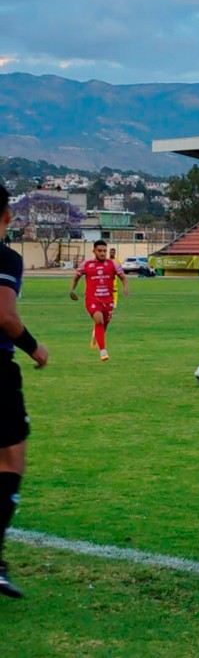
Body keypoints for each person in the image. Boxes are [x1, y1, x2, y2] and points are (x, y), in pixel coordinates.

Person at [0, 186, 49, 599]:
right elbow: (4, 315)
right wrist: (35, 348)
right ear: (7, 217)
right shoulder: (5, 258)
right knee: (11, 460)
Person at [70, 240, 128, 361]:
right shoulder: (86, 264)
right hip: (92, 299)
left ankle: (96, 334)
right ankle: (103, 351)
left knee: (105, 323)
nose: (102, 253)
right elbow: (76, 277)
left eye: (104, 251)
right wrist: (72, 290)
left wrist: (125, 288)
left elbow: (123, 277)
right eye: (100, 251)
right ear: (94, 251)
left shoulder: (113, 264)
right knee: (99, 320)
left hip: (108, 299)